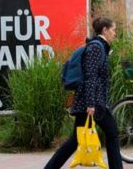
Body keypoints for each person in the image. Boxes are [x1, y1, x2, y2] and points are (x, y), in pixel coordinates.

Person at [45, 17, 122, 169]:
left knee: (75, 140)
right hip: (92, 102)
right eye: (113, 30)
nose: (114, 33)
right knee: (112, 132)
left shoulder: (100, 47)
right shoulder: (96, 48)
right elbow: (90, 77)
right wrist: (91, 104)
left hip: (91, 101)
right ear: (104, 30)